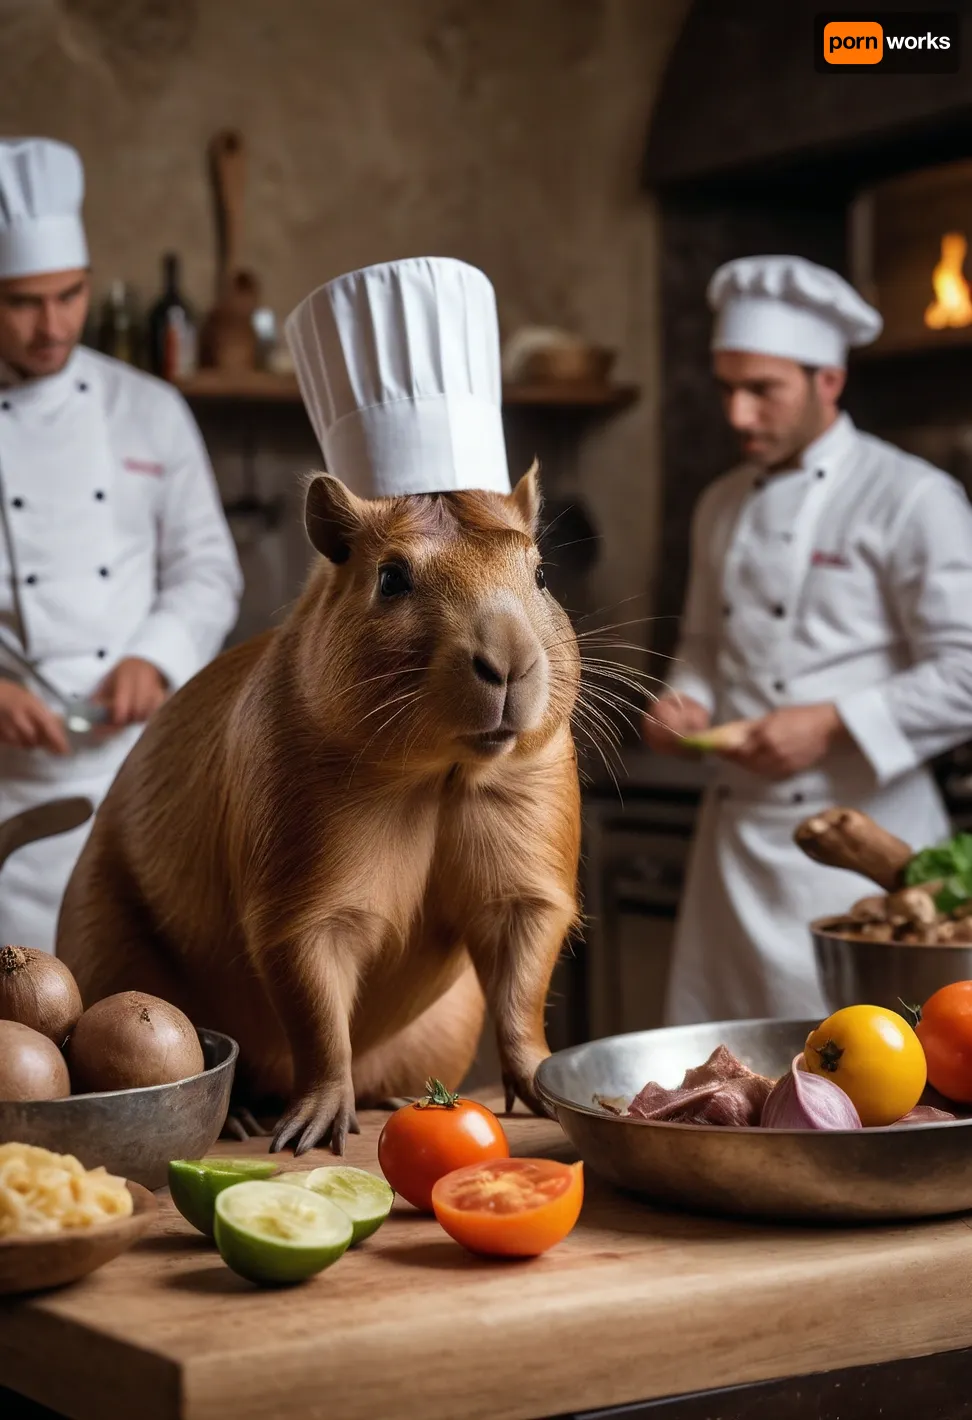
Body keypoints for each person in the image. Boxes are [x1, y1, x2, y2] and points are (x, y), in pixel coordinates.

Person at [644, 254, 972, 1024]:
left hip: (865, 849)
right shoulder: (719, 504)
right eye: (728, 388)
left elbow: (966, 669)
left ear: (829, 380)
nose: (738, 415)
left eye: (763, 390)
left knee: (874, 1084)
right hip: (733, 856)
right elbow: (704, 642)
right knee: (715, 1080)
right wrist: (685, 699)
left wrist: (828, 723)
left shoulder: (913, 496)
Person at [0, 137, 242, 950]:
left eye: (69, 296)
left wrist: (156, 656)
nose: (51, 325)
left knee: (134, 1013)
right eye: (23, 301)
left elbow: (207, 568)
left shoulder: (147, 409)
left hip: (133, 777)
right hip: (4, 794)